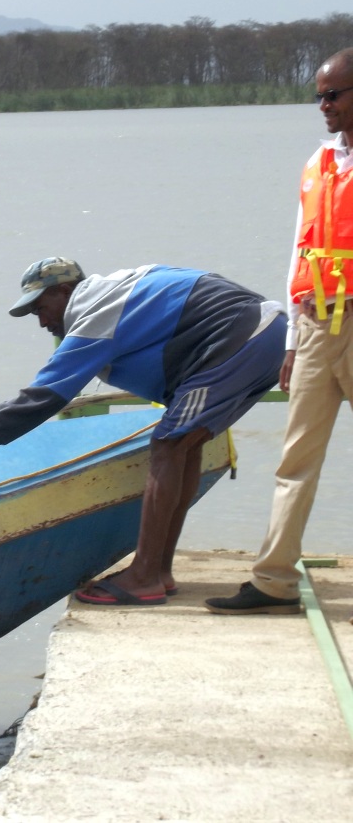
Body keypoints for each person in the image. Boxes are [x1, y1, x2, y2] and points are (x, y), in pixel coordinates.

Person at [0, 257, 286, 606]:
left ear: (64, 292)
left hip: (243, 338)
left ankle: (144, 577)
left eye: (40, 308)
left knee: (169, 447)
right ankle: (158, 571)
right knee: (181, 445)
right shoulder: (118, 289)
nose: (42, 322)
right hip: (265, 333)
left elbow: (41, 397)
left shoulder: (94, 313)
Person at [207, 48, 353, 616]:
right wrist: (292, 342)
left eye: (333, 94)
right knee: (296, 458)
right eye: (319, 95)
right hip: (317, 324)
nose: (323, 105)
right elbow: (301, 249)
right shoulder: (319, 162)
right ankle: (272, 580)